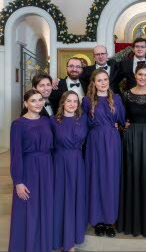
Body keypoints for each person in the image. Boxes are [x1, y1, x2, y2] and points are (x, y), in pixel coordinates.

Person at [117, 63, 146, 237]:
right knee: (132, 175)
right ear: (135, 75)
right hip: (132, 136)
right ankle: (132, 221)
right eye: (140, 74)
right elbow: (122, 117)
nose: (143, 78)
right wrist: (122, 126)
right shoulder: (126, 94)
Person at [82, 69, 125, 238]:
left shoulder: (117, 98)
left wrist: (116, 124)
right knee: (95, 178)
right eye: (99, 80)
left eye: (105, 79)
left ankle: (110, 220)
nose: (103, 83)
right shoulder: (86, 101)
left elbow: (122, 119)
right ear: (93, 82)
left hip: (113, 141)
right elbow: (83, 124)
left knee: (111, 179)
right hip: (94, 141)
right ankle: (97, 220)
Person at [9, 89, 53, 252]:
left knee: (44, 207)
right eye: (33, 100)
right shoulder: (18, 124)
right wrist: (18, 181)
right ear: (25, 103)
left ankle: (43, 245)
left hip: (47, 167)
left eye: (40, 100)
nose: (37, 103)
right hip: (29, 168)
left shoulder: (47, 121)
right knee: (29, 208)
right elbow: (15, 154)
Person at [51, 91, 88, 251]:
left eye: (75, 101)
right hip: (59, 163)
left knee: (75, 199)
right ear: (62, 103)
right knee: (61, 200)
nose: (72, 104)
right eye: (69, 101)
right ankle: (61, 239)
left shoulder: (83, 119)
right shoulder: (52, 121)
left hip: (78, 163)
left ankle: (73, 238)